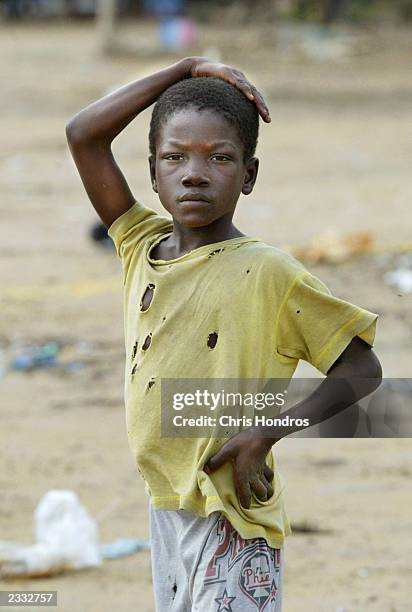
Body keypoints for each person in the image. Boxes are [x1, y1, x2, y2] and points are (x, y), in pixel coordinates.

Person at [66, 57, 382, 611]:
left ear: (250, 175)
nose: (194, 172)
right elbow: (83, 135)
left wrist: (265, 433)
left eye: (220, 158)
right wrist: (184, 69)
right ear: (153, 172)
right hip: (166, 502)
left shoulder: (268, 272)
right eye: (175, 157)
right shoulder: (139, 244)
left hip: (231, 509)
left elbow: (361, 370)